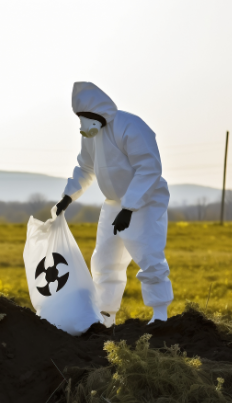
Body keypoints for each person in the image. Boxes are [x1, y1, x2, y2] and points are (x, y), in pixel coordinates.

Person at [55, 82, 173, 327]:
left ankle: (160, 314)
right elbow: (86, 167)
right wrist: (68, 196)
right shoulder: (92, 136)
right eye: (80, 118)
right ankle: (106, 316)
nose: (83, 123)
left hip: (145, 200)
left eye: (85, 116)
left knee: (148, 254)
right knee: (105, 259)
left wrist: (129, 208)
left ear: (98, 111)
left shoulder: (130, 126)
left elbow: (148, 168)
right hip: (112, 204)